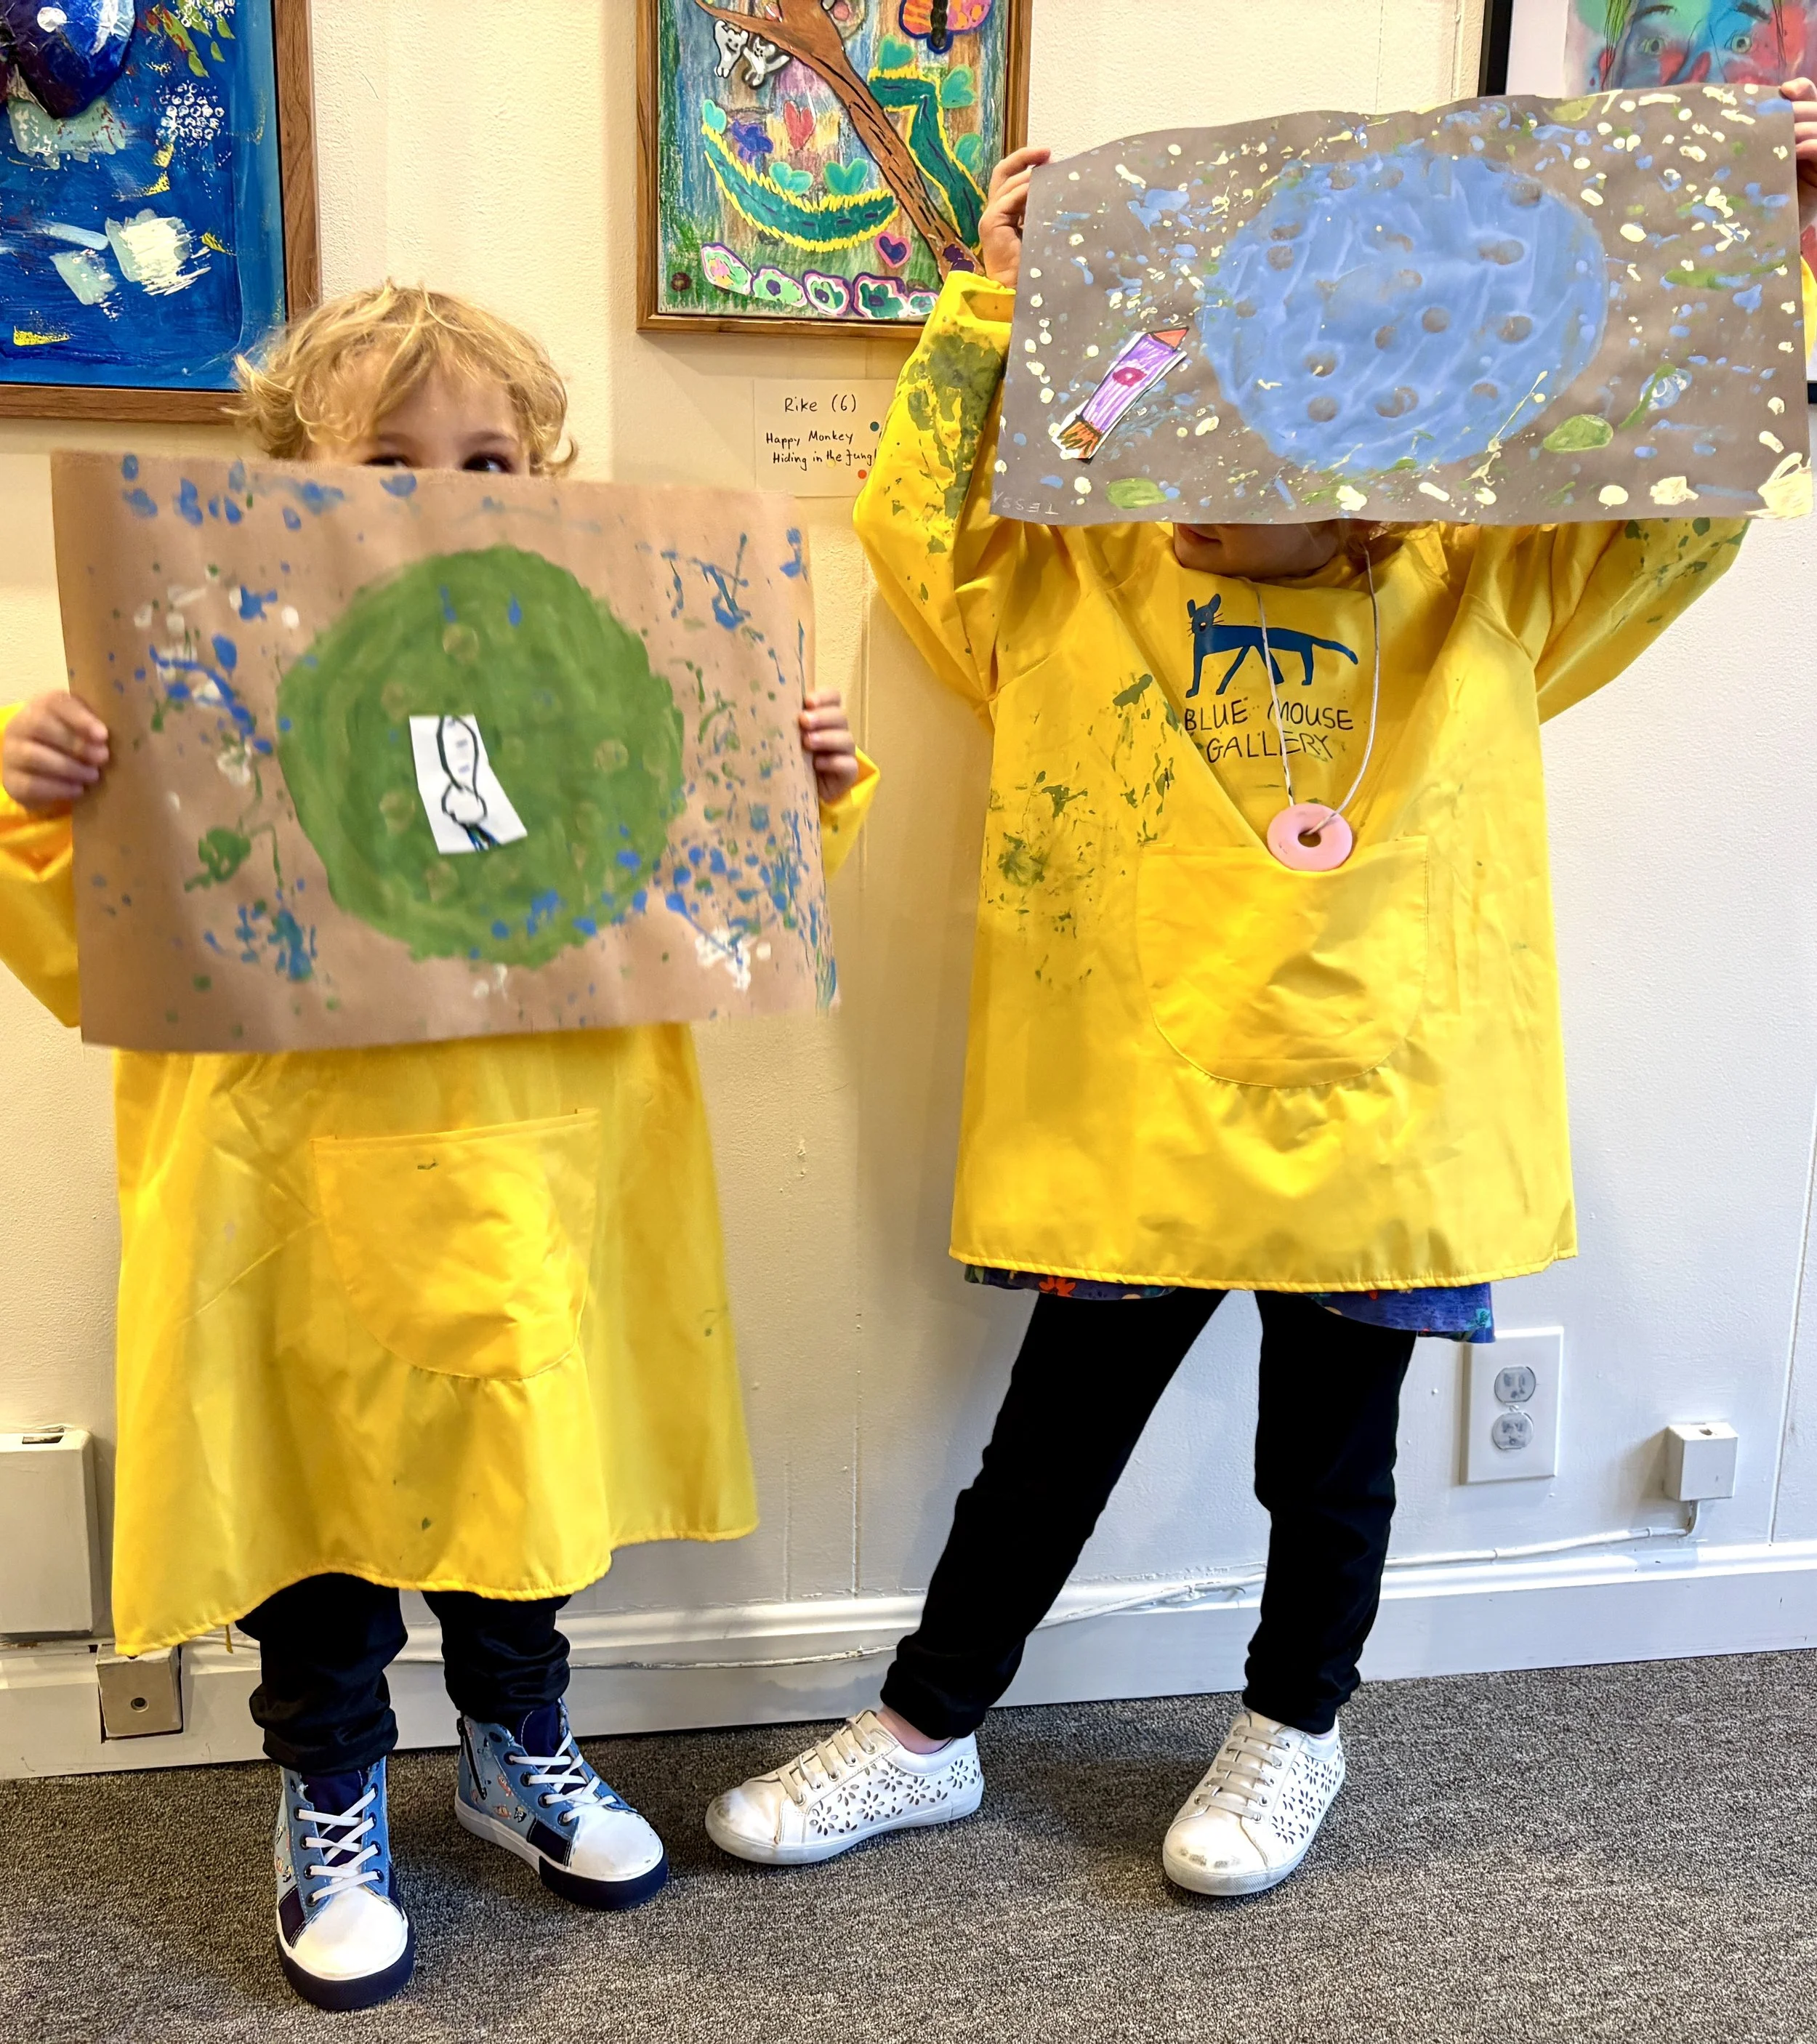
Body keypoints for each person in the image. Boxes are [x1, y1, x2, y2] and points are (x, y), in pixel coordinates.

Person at [706, 89, 1817, 1896]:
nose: (1195, 500)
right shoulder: (1070, 580)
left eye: (1252, 462)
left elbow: (1685, 500)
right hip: (1135, 1096)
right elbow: (918, 520)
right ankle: (921, 1731)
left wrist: (1759, 245)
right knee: (1044, 1444)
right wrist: (996, 303)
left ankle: (1292, 1726)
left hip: (1381, 1103)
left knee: (1332, 1465)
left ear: (1367, 448)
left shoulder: (1490, 591)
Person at [0, 283, 876, 2011]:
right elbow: (91, 944)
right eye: (385, 456)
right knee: (313, 1502)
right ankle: (331, 1786)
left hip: (538, 1163)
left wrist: (797, 781)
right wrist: (46, 798)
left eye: (485, 454)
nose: (439, 484)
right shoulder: (194, 671)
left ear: (542, 475)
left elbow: (715, 907)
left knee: (519, 1497)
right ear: (284, 475)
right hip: (291, 1182)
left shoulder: (582, 662)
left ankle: (511, 1743)